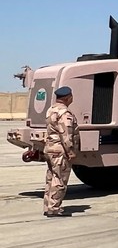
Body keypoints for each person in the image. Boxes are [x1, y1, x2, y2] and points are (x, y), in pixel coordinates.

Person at [43, 86, 79, 217]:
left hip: (50, 148)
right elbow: (66, 134)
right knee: (59, 180)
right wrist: (70, 151)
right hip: (60, 150)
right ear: (67, 97)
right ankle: (54, 209)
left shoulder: (51, 110)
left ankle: (48, 206)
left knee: (51, 178)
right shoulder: (64, 113)